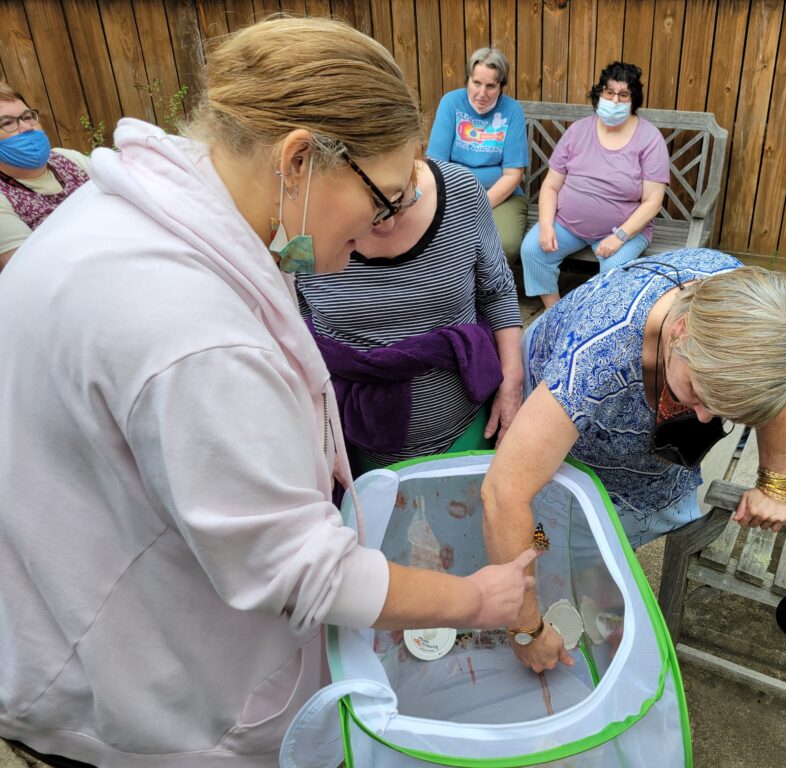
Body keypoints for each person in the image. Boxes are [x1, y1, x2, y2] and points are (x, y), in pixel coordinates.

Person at [0, 18, 537, 768]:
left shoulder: (148, 212)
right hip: (134, 706)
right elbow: (299, 569)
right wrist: (479, 601)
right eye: (381, 203)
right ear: (298, 161)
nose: (377, 233)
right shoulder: (189, 330)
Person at [480, 248, 786, 673]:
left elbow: (770, 390)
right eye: (698, 393)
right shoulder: (593, 363)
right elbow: (504, 493)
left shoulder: (753, 319)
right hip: (564, 418)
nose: (703, 418)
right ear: (680, 331)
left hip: (643, 461)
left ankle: (592, 582)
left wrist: (776, 482)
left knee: (603, 549)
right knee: (545, 531)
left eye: (725, 411)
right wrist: (525, 630)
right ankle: (553, 578)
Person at [297, 157, 523, 473]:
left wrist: (512, 379)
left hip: (468, 433)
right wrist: (316, 430)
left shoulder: (461, 190)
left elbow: (497, 289)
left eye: (403, 199)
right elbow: (292, 327)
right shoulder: (296, 220)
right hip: (347, 446)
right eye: (372, 208)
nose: (388, 225)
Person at [519, 61, 670, 309]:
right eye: (609, 92)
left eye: (623, 95)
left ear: (634, 99)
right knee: (533, 249)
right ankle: (555, 312)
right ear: (599, 93)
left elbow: (653, 201)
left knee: (612, 268)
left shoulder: (650, 139)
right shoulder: (578, 131)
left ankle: (595, 320)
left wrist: (619, 237)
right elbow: (550, 186)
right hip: (569, 224)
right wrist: (546, 226)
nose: (614, 100)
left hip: (625, 230)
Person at [427, 47, 528, 260]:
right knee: (441, 241)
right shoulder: (451, 103)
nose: (482, 93)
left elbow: (513, 174)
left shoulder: (512, 110)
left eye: (491, 86)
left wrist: (478, 206)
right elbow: (435, 165)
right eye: (476, 83)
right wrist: (457, 202)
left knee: (504, 244)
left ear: (501, 86)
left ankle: (492, 291)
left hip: (501, 196)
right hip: (453, 193)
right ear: (467, 80)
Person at [0, 83, 90, 270]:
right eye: (7, 123)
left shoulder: (67, 159)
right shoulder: (3, 197)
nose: (26, 127)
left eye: (27, 117)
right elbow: (29, 271)